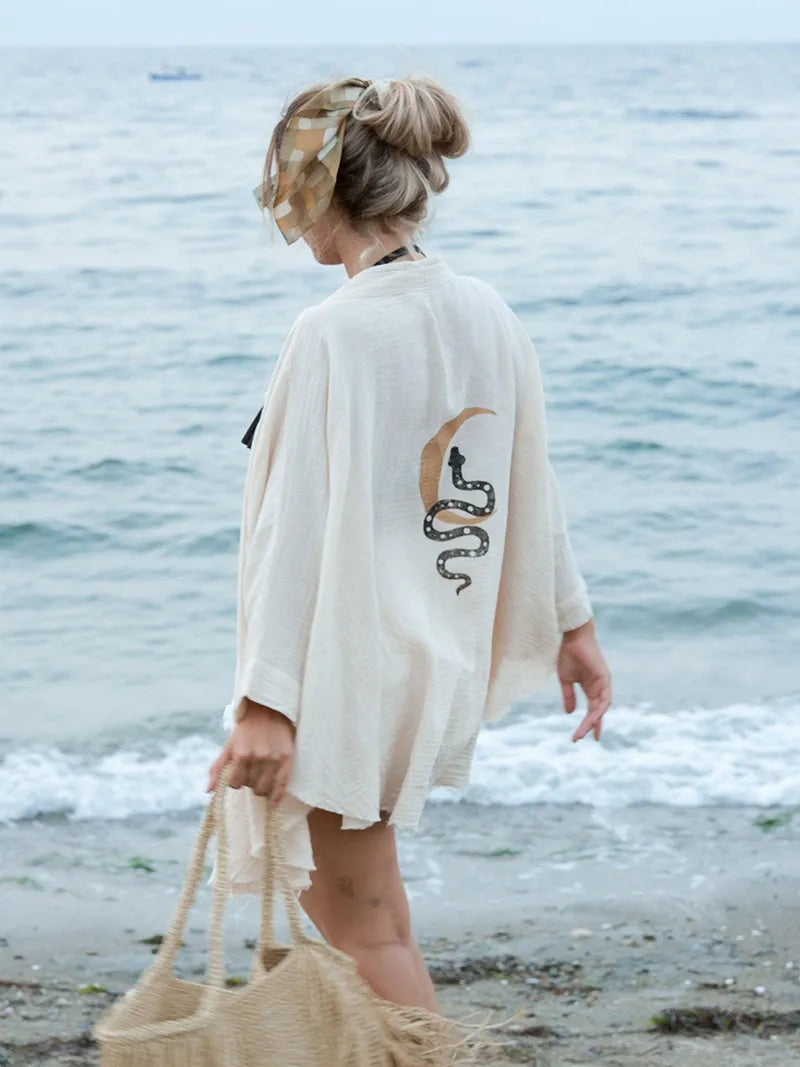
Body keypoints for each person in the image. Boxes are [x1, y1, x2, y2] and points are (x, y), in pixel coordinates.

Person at [207, 74, 612, 1015]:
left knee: (360, 925)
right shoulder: (487, 313)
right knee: (352, 915)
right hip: (425, 658)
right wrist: (573, 620)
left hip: (340, 671)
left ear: (320, 187)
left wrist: (266, 702)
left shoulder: (332, 333)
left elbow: (292, 526)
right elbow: (527, 482)